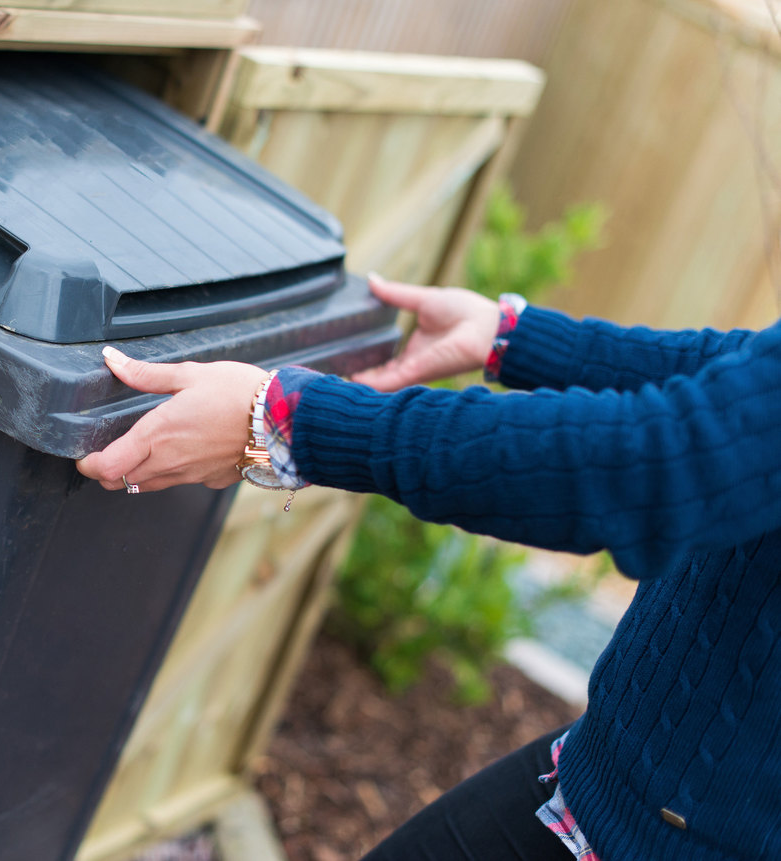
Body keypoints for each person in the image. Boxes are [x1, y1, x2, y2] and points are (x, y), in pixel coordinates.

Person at [76, 274, 781, 861]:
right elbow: (747, 384)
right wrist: (518, 338)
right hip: (611, 784)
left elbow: (647, 471)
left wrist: (294, 424)